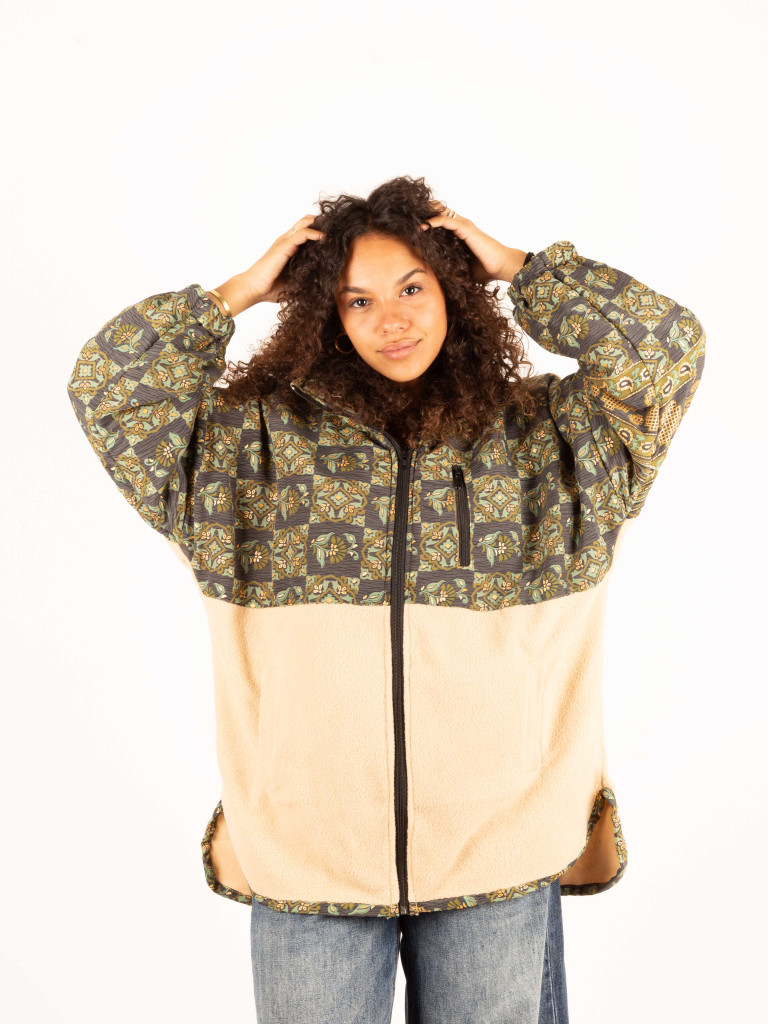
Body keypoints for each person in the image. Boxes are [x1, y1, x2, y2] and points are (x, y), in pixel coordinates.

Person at [66, 175, 705, 1023]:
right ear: (326, 316)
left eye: (413, 288)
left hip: (498, 846)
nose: (391, 320)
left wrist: (523, 268)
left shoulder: (553, 440)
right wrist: (237, 291)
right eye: (357, 300)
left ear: (455, 291)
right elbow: (109, 387)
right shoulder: (246, 448)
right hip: (309, 850)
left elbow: (666, 347)